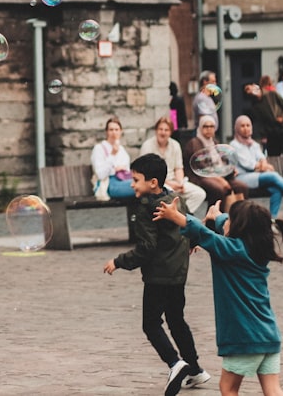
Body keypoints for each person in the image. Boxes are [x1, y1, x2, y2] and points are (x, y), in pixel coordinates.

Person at [154, 199, 283, 396]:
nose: (224, 222)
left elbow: (203, 233)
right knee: (273, 390)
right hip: (268, 335)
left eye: (229, 220)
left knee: (228, 388)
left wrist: (175, 216)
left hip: (244, 338)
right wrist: (217, 215)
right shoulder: (257, 249)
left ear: (238, 227)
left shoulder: (230, 249)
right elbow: (224, 225)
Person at [102, 154, 211, 395]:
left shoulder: (145, 209)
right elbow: (188, 222)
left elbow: (146, 249)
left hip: (158, 277)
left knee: (151, 323)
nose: (132, 184)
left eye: (136, 179)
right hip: (178, 274)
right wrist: (193, 240)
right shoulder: (174, 198)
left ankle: (175, 364)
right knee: (176, 320)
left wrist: (118, 262)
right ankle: (195, 369)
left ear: (152, 183)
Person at [229, 116, 283, 219]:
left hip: (256, 176)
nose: (246, 128)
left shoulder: (253, 144)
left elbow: (261, 157)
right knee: (273, 176)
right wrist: (263, 166)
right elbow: (248, 165)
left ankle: (272, 220)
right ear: (237, 128)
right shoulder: (234, 145)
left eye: (248, 125)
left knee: (276, 190)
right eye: (242, 126)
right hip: (242, 177)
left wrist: (263, 163)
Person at [140, 116, 206, 213]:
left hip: (174, 181)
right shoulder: (147, 146)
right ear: (156, 130)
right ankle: (176, 217)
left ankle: (182, 215)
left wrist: (180, 183)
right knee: (170, 193)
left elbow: (178, 168)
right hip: (156, 183)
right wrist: (170, 184)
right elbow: (147, 173)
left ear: (170, 132)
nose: (163, 132)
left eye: (166, 130)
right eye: (160, 129)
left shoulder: (175, 145)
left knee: (199, 193)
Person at [183, 115, 248, 211]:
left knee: (242, 187)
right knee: (220, 189)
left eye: (212, 126)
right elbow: (202, 168)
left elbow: (223, 160)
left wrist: (230, 169)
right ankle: (214, 220)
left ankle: (240, 216)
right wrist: (221, 180)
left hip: (220, 175)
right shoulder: (194, 143)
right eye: (206, 126)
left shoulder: (214, 142)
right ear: (200, 127)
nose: (209, 129)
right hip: (201, 177)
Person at [244, 83, 283, 157]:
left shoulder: (272, 94)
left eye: (250, 88)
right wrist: (263, 135)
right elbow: (260, 122)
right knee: (273, 157)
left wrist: (282, 117)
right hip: (272, 134)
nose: (251, 91)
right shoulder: (255, 106)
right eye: (248, 91)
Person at [91, 117, 134, 200]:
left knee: (142, 186)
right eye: (111, 130)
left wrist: (117, 169)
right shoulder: (99, 148)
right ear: (106, 132)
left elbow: (126, 170)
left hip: (123, 180)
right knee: (140, 187)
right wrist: (112, 155)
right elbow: (101, 175)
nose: (114, 132)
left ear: (121, 131)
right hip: (107, 183)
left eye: (116, 129)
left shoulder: (122, 151)